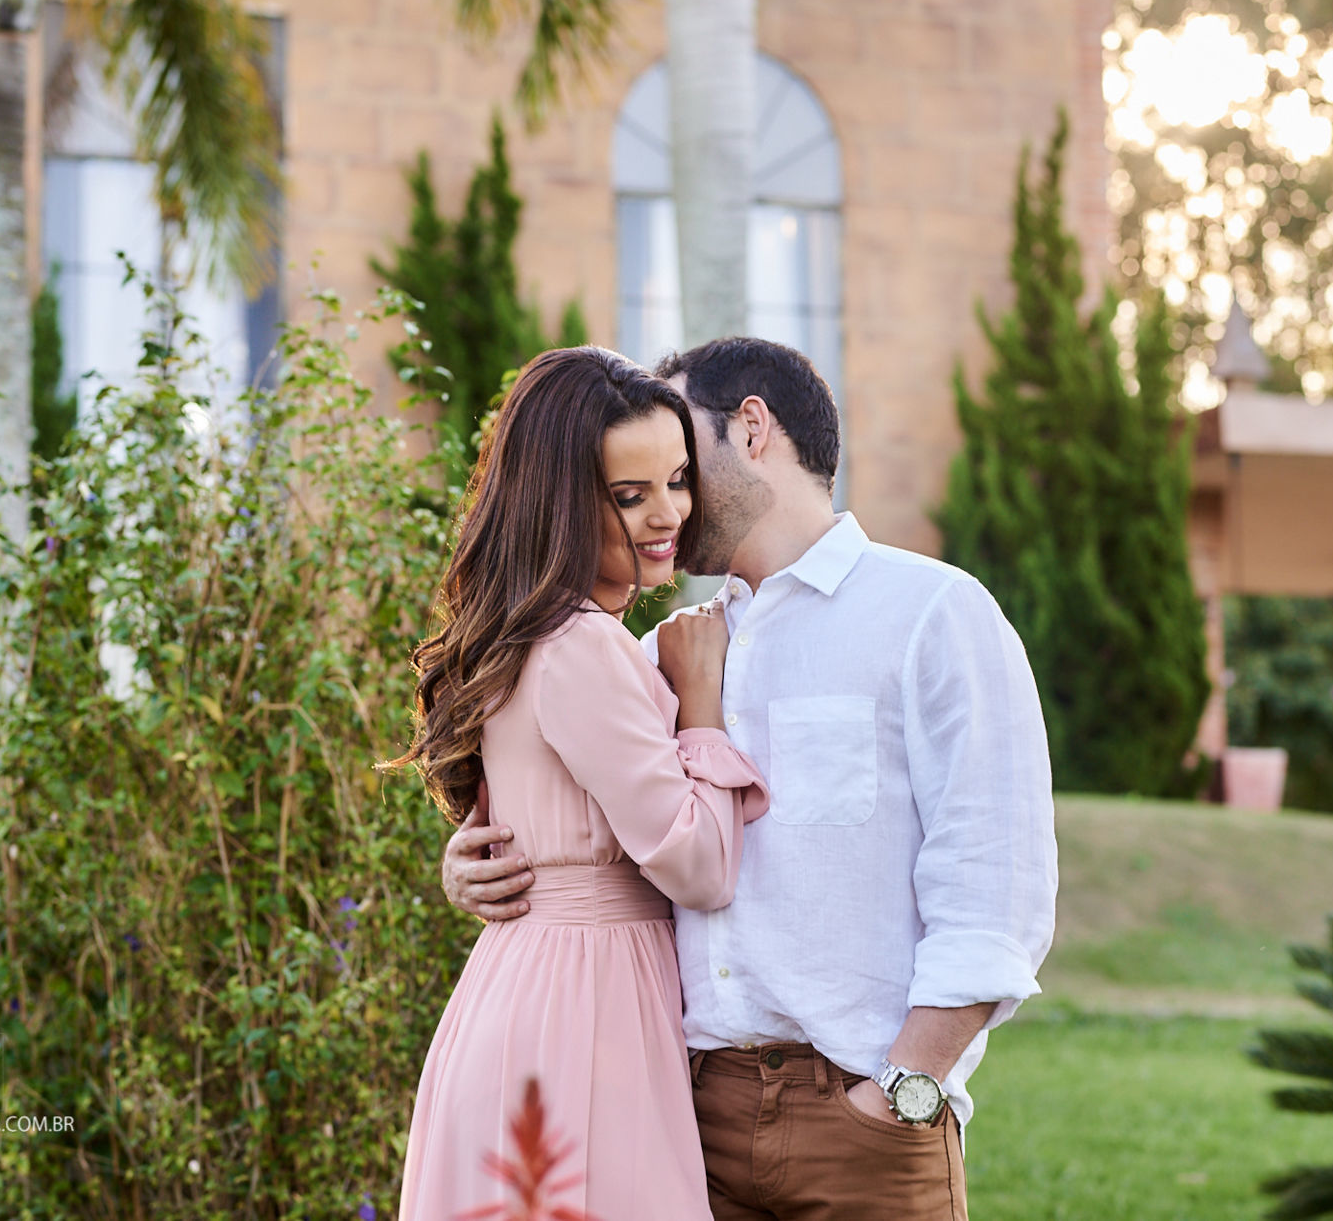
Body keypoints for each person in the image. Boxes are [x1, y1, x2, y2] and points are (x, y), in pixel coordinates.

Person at [443, 337, 1059, 1221]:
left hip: (862, 1124)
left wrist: (901, 1098)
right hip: (682, 1120)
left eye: (683, 461)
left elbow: (998, 894)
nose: (669, 492)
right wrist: (472, 860)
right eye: (640, 481)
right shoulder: (667, 652)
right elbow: (590, 817)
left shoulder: (932, 613)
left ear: (754, 427)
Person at [381, 345, 772, 1221]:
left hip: (530, 990)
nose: (668, 514)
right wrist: (701, 706)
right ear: (559, 501)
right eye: (629, 497)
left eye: (677, 480)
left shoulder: (539, 634)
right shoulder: (583, 646)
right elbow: (700, 867)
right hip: (584, 1012)